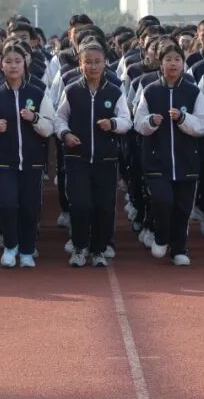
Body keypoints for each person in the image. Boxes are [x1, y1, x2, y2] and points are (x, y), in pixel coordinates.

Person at [53, 40, 131, 267]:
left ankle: (98, 249)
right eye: (88, 62)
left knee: (103, 206)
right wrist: (66, 134)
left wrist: (113, 123)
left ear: (105, 63)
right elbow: (59, 118)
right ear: (80, 64)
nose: (93, 66)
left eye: (98, 62)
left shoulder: (114, 91)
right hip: (77, 158)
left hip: (106, 159)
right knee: (80, 204)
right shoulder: (72, 90)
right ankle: (79, 247)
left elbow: (126, 121)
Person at [133, 42, 204, 266]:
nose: (173, 64)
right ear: (160, 64)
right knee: (162, 201)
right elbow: (138, 123)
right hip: (157, 160)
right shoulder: (150, 90)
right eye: (168, 59)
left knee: (183, 208)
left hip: (187, 160)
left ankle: (179, 249)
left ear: (183, 63)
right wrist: (151, 122)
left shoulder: (193, 91)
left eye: (177, 59)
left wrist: (183, 119)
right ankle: (161, 235)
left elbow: (202, 126)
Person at [0, 41, 55, 268]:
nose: (13, 66)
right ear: (1, 65)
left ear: (25, 64)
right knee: (7, 204)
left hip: (32, 161)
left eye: (17, 61)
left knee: (29, 207)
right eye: (8, 61)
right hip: (3, 160)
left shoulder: (38, 92)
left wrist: (35, 119)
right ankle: (10, 246)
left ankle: (27, 250)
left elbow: (49, 127)